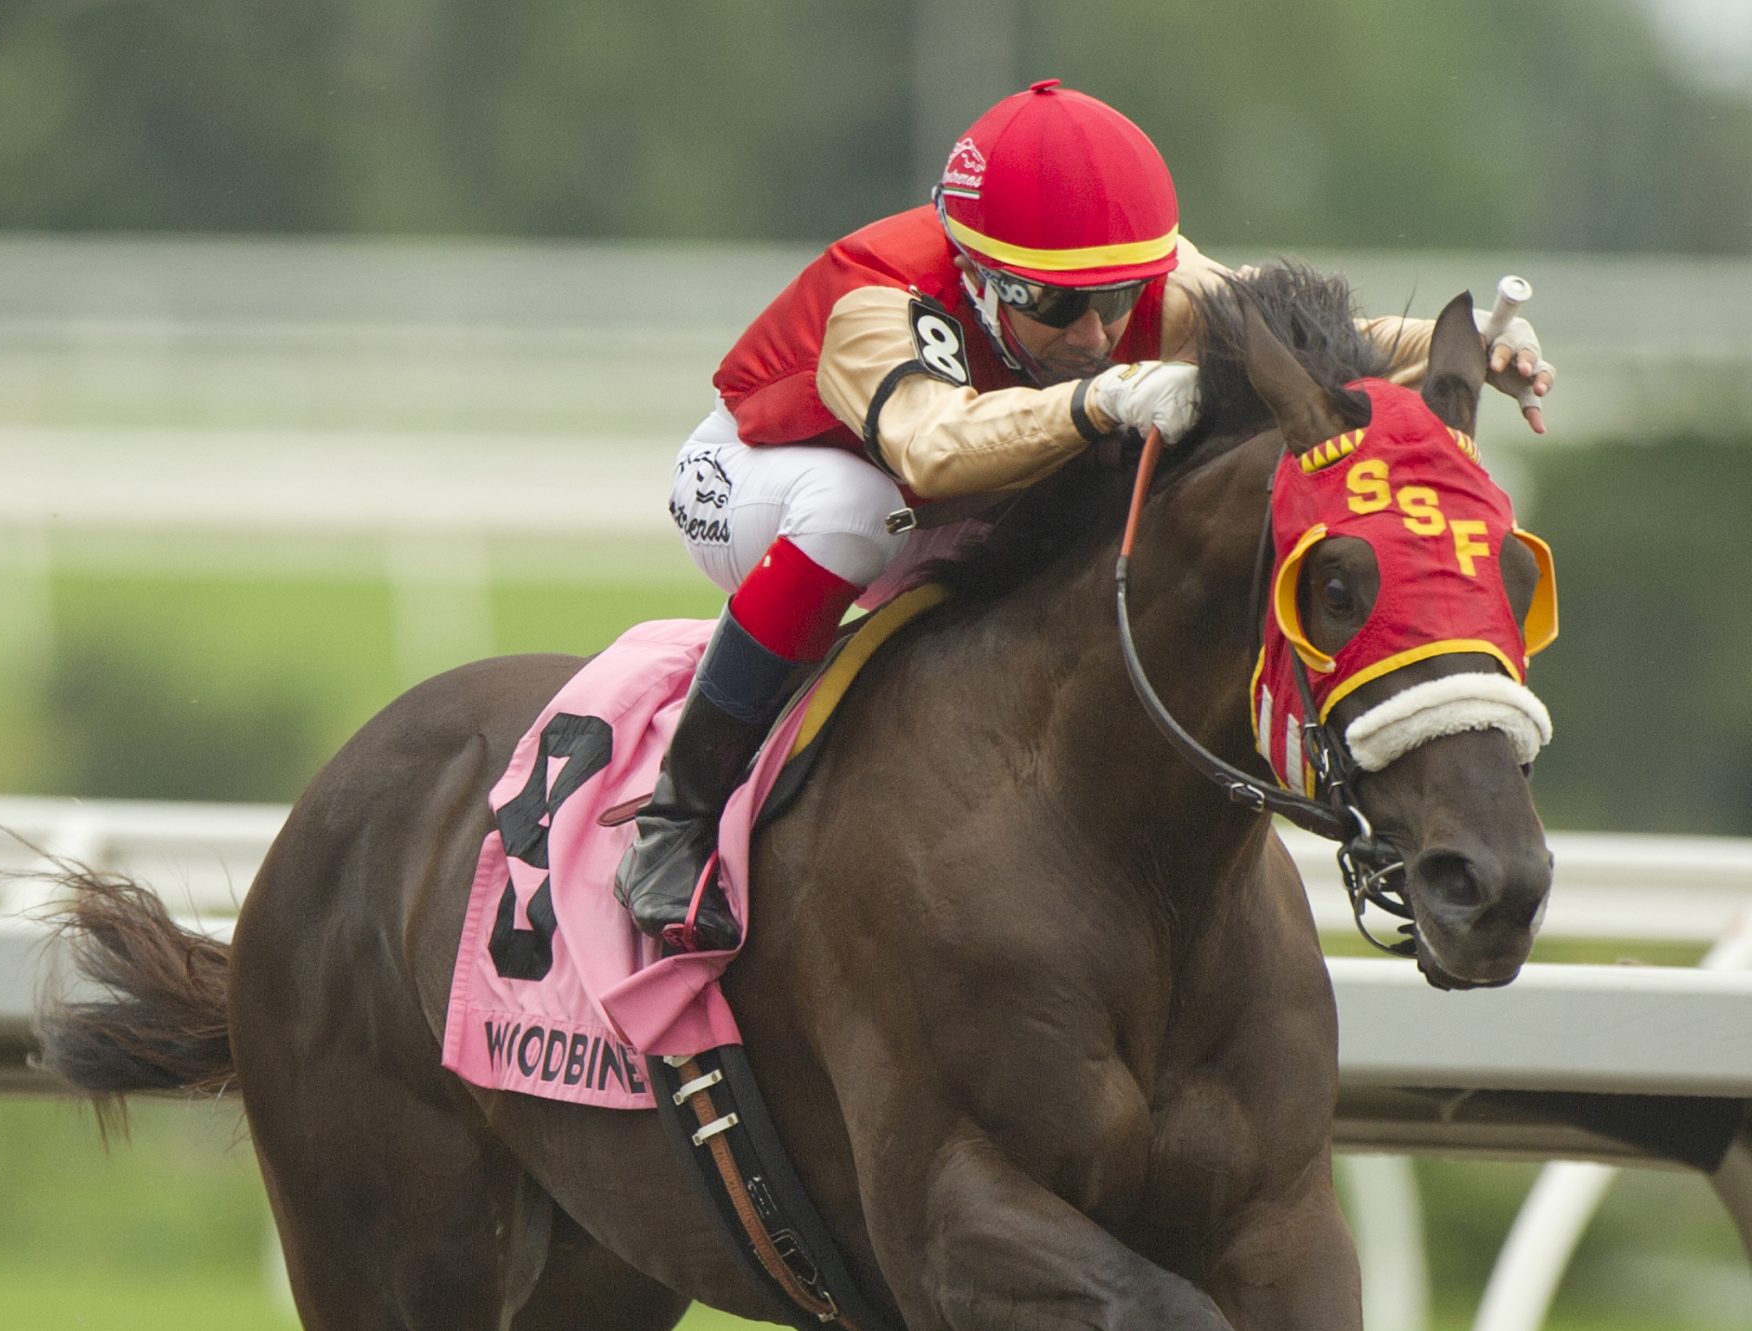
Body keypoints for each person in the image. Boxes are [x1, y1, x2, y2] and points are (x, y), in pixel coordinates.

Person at [616, 78, 1553, 950]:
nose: (1097, 334)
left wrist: (1456, 349)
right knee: (855, 510)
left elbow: (1308, 352)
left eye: (1119, 298)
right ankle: (679, 816)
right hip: (775, 473)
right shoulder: (879, 298)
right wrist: (1097, 400)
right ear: (978, 274)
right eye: (1058, 306)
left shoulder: (1146, 279)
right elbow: (928, 453)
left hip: (961, 481)